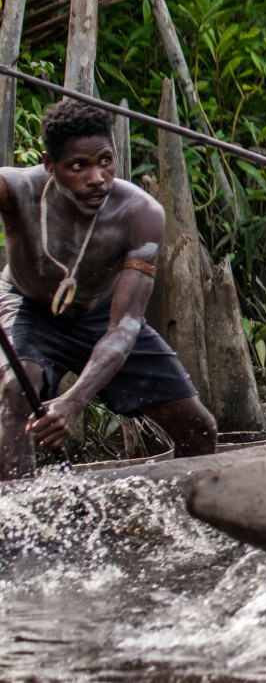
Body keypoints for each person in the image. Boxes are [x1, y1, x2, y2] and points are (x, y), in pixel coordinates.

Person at [1, 101, 218, 478]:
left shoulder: (140, 214)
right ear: (50, 164)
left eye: (105, 161)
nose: (97, 177)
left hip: (104, 316)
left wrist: (74, 401)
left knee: (200, 430)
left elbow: (124, 328)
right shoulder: (15, 189)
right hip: (28, 306)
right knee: (17, 387)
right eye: (78, 166)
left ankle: (176, 522)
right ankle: (18, 513)